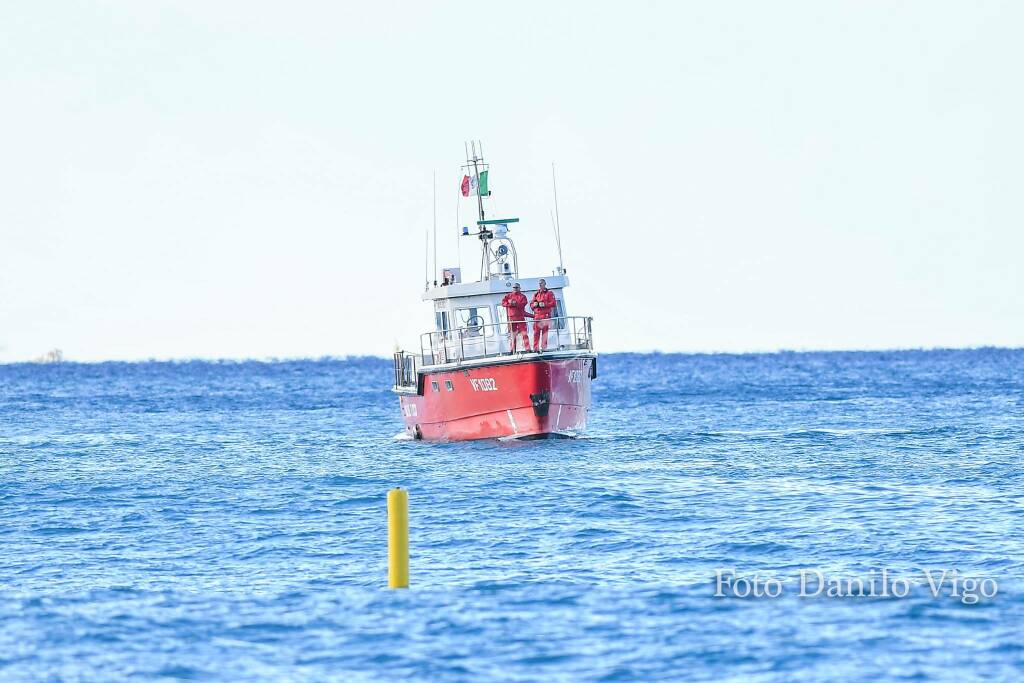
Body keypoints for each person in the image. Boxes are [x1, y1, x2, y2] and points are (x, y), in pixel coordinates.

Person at [500, 283, 532, 353]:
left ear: (520, 288)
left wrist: (514, 303)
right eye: (514, 287)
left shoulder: (523, 296)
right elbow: (503, 303)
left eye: (516, 287)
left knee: (524, 334)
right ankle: (512, 350)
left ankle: (528, 349)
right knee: (513, 335)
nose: (515, 289)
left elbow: (523, 304)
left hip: (520, 317)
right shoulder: (508, 296)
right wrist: (510, 304)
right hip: (512, 318)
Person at [530, 278, 557, 351]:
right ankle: (535, 348)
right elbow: (531, 304)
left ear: (545, 284)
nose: (540, 284)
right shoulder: (536, 294)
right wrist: (534, 305)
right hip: (537, 316)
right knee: (536, 333)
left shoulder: (549, 293)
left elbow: (554, 303)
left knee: (545, 333)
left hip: (545, 316)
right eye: (539, 283)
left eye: (541, 283)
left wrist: (544, 304)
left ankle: (544, 347)